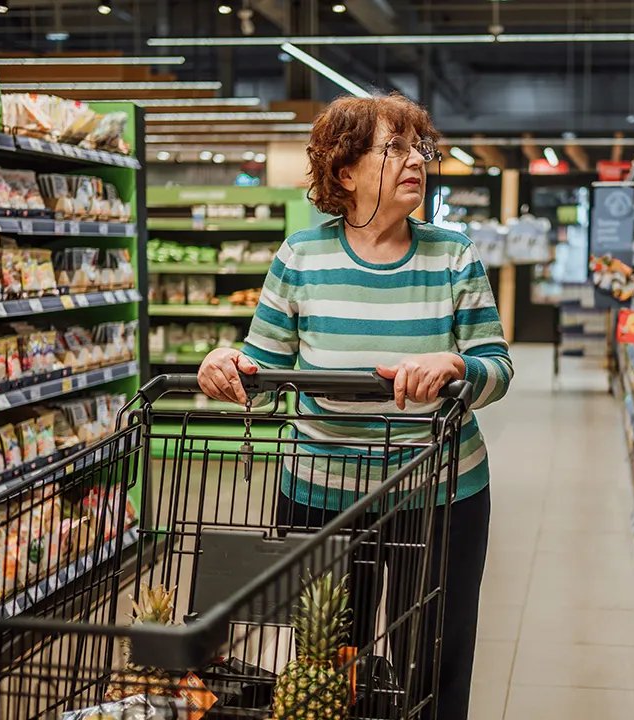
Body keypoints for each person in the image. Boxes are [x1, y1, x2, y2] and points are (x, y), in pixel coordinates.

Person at [197, 92, 513, 720]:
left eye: (419, 147)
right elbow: (260, 368)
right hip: (322, 493)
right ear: (345, 172)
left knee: (435, 660)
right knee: (328, 658)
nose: (415, 160)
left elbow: (496, 369)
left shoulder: (453, 257)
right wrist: (223, 364)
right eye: (393, 148)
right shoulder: (300, 257)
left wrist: (454, 364)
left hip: (442, 494)